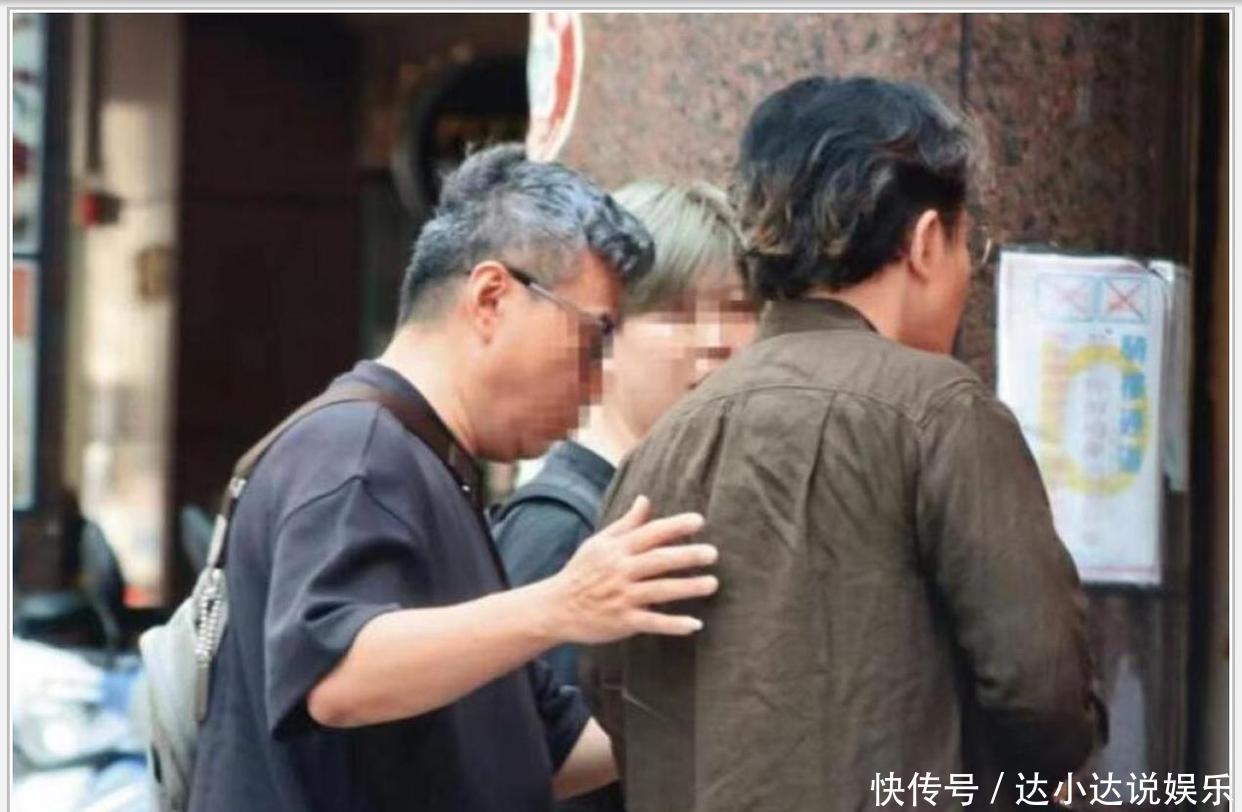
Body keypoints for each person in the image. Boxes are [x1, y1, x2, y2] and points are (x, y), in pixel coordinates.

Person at [581, 76, 1108, 812]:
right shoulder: (942, 412)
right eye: (970, 246)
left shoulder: (660, 445)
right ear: (926, 243)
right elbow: (1043, 695)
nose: (967, 272)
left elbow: (610, 685)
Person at [188, 144, 721, 812]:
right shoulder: (356, 448)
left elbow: (553, 754)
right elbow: (337, 675)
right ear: (492, 297)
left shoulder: (427, 461)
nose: (595, 380)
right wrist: (561, 603)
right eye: (592, 340)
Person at [491, 179, 755, 811]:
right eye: (678, 314)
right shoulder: (558, 530)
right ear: (601, 335)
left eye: (739, 308)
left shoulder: (691, 511)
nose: (717, 339)